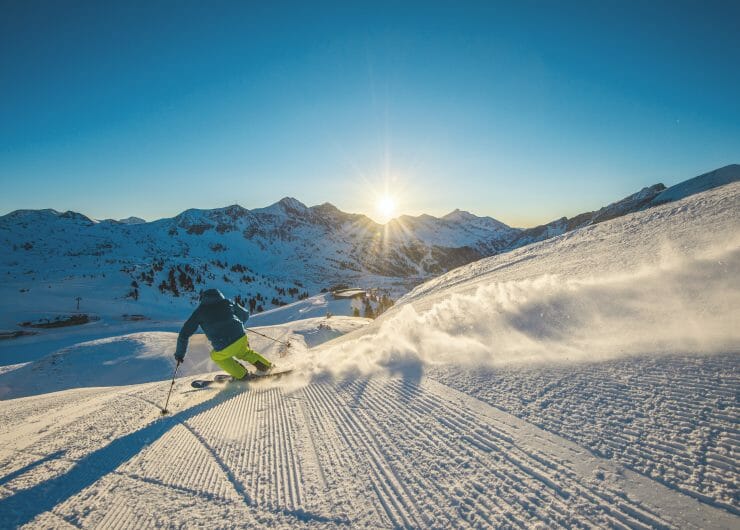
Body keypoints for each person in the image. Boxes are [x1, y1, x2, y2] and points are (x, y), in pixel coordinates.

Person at [174, 288, 272, 379]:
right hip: (241, 337)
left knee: (216, 356)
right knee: (245, 353)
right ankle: (267, 367)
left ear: (202, 299)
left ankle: (241, 374)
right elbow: (245, 314)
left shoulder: (199, 312)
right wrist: (234, 325)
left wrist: (179, 355)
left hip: (223, 344)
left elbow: (184, 334)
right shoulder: (226, 302)